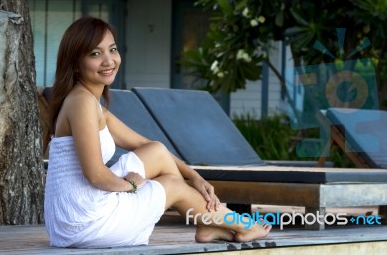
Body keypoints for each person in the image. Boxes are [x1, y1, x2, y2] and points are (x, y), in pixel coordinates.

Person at [44, 16, 271, 248]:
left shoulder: (89, 102)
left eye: (112, 50)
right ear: (75, 63)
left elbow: (144, 144)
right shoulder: (81, 102)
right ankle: (242, 224)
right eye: (95, 54)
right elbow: (95, 174)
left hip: (79, 213)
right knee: (172, 185)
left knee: (156, 151)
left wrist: (195, 177)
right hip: (85, 223)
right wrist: (130, 185)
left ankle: (208, 222)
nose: (108, 60)